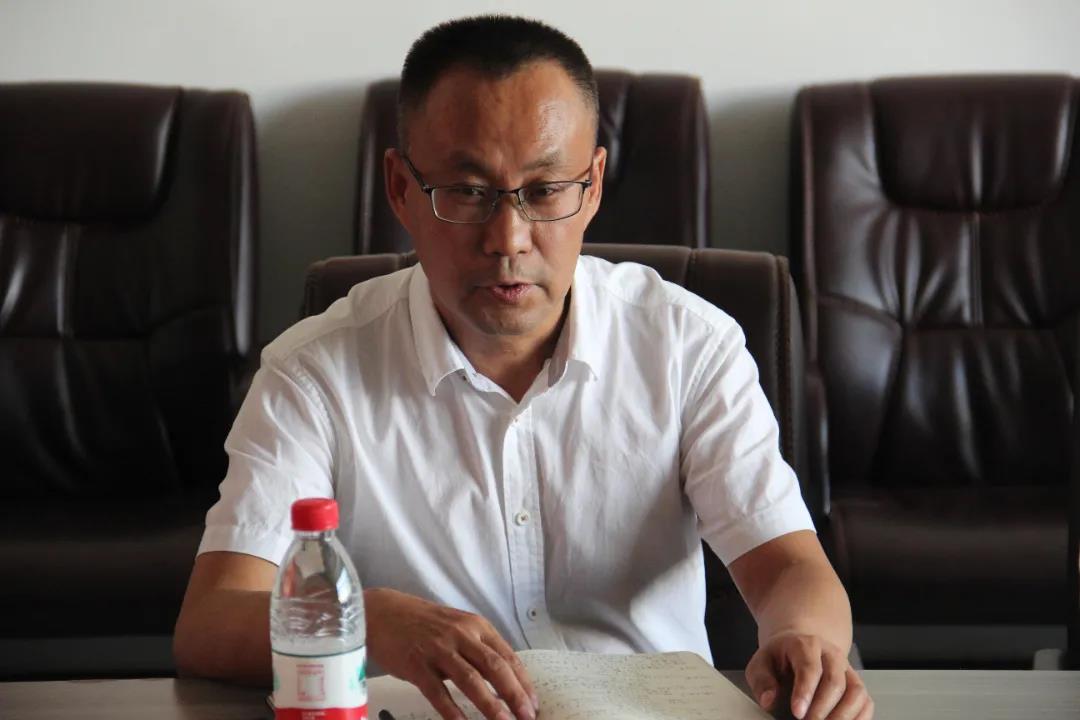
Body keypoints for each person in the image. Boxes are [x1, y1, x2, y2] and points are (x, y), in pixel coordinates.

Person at [174, 14, 873, 720]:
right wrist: (368, 617)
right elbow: (211, 620)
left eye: (543, 191)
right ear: (401, 188)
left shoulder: (689, 347)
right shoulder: (312, 374)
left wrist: (805, 639)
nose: (508, 240)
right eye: (468, 192)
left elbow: (787, 565)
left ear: (592, 186)